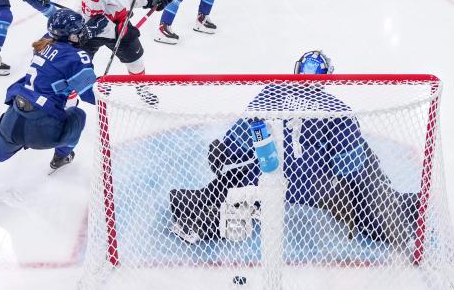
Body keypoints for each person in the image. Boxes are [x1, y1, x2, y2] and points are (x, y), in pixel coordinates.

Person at [169, 50, 419, 246]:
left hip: (265, 182)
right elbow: (349, 168)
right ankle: (390, 217)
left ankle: (202, 215)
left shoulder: (272, 91)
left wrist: (221, 151)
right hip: (317, 190)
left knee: (239, 170)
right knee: (363, 162)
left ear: (297, 70)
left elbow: (237, 144)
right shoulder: (338, 109)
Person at [0, 9, 96, 186]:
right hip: (42, 129)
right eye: (78, 31)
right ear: (71, 36)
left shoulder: (43, 44)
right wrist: (100, 83)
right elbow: (91, 95)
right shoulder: (77, 58)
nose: (82, 33)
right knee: (77, 115)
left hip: (13, 117)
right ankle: (61, 157)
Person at [77, 0, 171, 105]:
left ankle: (142, 88)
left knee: (136, 61)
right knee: (76, 68)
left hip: (119, 25)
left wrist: (150, 0)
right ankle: (68, 102)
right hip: (87, 32)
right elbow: (92, 23)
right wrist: (117, 30)